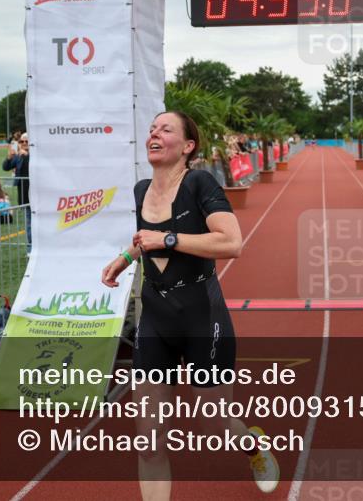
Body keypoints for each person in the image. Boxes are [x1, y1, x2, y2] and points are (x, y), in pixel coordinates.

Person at [100, 111, 279, 498]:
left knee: (213, 422)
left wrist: (165, 240)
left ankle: (252, 444)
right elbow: (145, 238)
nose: (154, 133)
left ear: (187, 146)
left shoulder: (199, 182)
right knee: (148, 439)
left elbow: (232, 243)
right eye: (152, 128)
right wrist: (125, 258)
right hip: (156, 318)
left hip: (202, 314)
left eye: (165, 129)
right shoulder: (140, 189)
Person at [3, 132, 31, 251]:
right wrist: (9, 157)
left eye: (26, 141)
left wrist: (27, 155)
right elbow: (5, 167)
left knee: (36, 223)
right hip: (24, 195)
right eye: (21, 141)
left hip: (37, 195)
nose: (24, 143)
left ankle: (36, 248)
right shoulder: (19, 156)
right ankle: (31, 249)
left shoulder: (36, 155)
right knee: (29, 223)